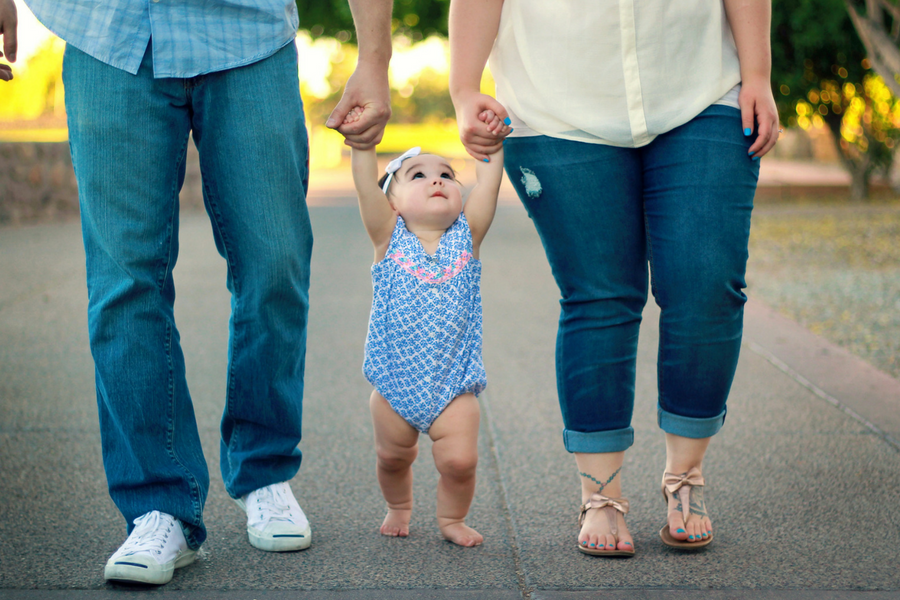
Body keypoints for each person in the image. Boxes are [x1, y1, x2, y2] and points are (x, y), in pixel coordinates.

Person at [8, 0, 392, 585]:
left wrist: (375, 56)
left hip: (248, 34)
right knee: (123, 282)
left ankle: (263, 469)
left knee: (276, 262)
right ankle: (158, 505)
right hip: (108, 31)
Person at [450, 0, 779, 556]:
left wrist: (759, 73)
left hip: (703, 88)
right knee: (599, 296)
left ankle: (685, 477)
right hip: (555, 103)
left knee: (706, 286)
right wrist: (463, 88)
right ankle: (599, 494)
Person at [346, 107, 507, 547]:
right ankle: (399, 505)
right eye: (417, 175)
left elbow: (488, 186)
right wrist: (363, 147)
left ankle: (452, 518)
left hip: (453, 386)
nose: (437, 180)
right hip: (395, 384)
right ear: (393, 202)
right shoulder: (389, 239)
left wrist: (489, 150)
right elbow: (365, 189)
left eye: (447, 175)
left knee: (460, 462)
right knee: (392, 456)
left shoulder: (467, 237)